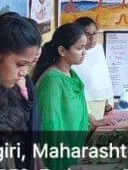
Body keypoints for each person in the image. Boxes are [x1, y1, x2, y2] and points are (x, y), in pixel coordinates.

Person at [33, 23, 90, 170]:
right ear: (62, 51)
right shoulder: (52, 80)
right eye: (79, 48)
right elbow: (50, 125)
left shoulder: (71, 74)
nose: (84, 52)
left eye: (85, 47)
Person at [71, 16, 115, 126]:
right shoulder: (73, 55)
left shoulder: (99, 48)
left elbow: (105, 76)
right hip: (83, 108)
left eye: (95, 33)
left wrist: (109, 100)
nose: (92, 38)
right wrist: (92, 118)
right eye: (87, 34)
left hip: (100, 105)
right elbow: (75, 91)